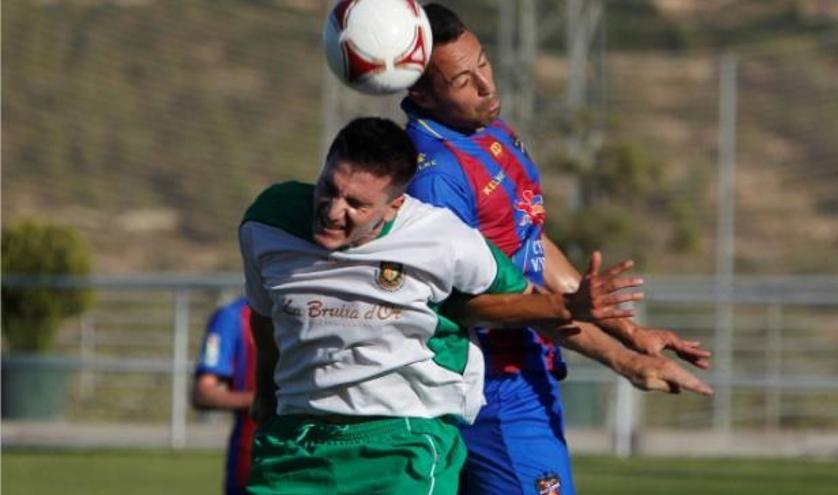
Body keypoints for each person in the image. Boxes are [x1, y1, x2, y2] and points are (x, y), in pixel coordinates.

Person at [239, 117, 710, 495]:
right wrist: (265, 391)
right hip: (296, 440)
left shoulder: (443, 239)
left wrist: (625, 356)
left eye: (356, 204)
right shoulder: (270, 222)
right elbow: (265, 317)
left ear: (395, 205)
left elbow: (529, 307)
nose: (333, 209)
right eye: (329, 188)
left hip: (399, 442)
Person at [403, 4, 713, 494]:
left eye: (483, 62)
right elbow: (477, 305)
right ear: (420, 92)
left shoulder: (491, 133)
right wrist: (623, 361)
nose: (487, 84)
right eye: (464, 80)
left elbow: (532, 245)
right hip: (492, 389)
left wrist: (630, 331)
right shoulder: (437, 179)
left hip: (529, 369)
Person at [192, 296, 257, 495]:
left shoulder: (314, 310)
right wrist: (263, 400)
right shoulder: (232, 317)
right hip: (251, 459)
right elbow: (203, 393)